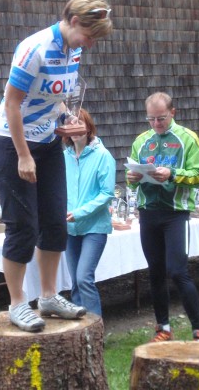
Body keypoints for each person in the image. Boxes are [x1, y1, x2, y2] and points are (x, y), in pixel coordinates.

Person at [0, 0, 113, 332]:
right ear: (73, 21)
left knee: (56, 222)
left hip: (48, 143)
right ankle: (17, 303)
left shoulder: (74, 50)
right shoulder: (35, 49)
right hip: (12, 143)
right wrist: (23, 155)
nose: (90, 44)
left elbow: (56, 98)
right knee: (23, 226)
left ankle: (48, 296)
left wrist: (66, 119)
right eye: (89, 36)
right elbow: (12, 104)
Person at [126, 92, 199, 342]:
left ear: (173, 113)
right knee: (155, 272)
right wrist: (132, 179)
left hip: (175, 214)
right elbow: (131, 182)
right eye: (151, 119)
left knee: (178, 271)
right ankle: (163, 328)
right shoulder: (142, 141)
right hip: (148, 212)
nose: (156, 124)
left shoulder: (187, 138)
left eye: (161, 118)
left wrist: (172, 174)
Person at [63, 109, 116, 316]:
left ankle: (95, 327)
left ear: (88, 127)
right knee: (75, 281)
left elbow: (106, 194)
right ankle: (80, 327)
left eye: (80, 123)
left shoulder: (102, 156)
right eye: (70, 124)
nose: (75, 128)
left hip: (94, 227)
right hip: (70, 228)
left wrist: (80, 213)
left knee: (84, 278)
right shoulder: (64, 157)